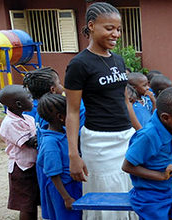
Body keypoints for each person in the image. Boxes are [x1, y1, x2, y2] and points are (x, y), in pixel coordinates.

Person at [63, 2, 140, 219]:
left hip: (126, 138)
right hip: (99, 143)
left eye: (118, 29)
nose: (115, 34)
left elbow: (125, 101)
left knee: (130, 191)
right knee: (107, 198)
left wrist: (141, 133)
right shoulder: (79, 64)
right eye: (109, 28)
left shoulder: (117, 59)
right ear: (91, 26)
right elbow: (72, 112)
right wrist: (73, 154)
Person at [122, 88, 172, 220]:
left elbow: (157, 159)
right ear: (166, 118)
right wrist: (161, 175)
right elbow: (127, 166)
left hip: (167, 192)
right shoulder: (148, 136)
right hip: (149, 197)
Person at [36, 94, 82, 220]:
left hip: (72, 185)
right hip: (63, 189)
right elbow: (53, 174)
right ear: (61, 117)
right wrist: (66, 198)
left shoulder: (63, 132)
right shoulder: (51, 142)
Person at [0, 85, 39, 220]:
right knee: (26, 204)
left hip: (32, 165)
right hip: (21, 169)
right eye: (29, 98)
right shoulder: (9, 123)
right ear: (19, 104)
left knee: (33, 201)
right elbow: (30, 142)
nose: (32, 100)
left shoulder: (28, 119)